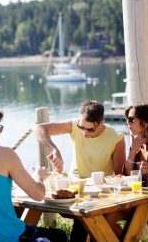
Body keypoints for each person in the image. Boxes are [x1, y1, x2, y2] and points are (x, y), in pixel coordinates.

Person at [0, 101, 67, 242]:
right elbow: (38, 195)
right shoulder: (1, 153)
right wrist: (39, 177)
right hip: (7, 237)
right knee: (58, 237)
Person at [33, 100, 126, 241]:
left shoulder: (115, 137)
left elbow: (119, 174)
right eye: (82, 127)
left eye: (90, 129)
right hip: (74, 192)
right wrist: (54, 149)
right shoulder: (74, 126)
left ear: (102, 122)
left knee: (87, 220)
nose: (84, 133)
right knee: (83, 219)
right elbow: (38, 129)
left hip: (100, 195)